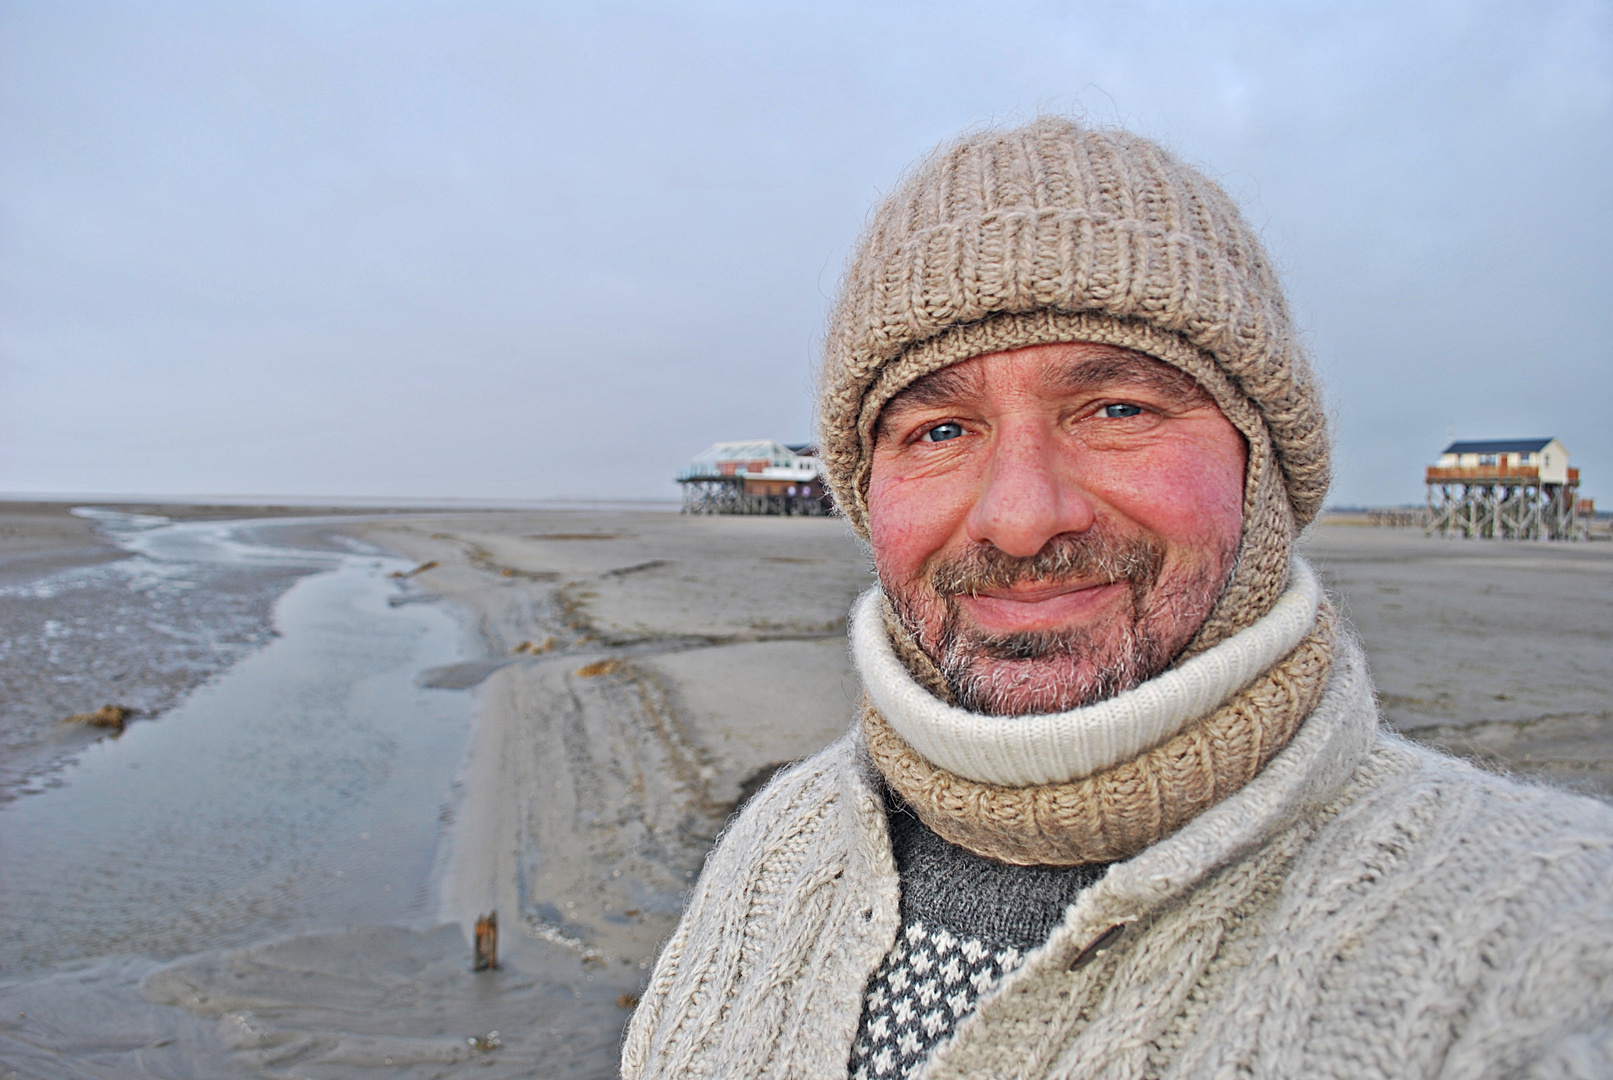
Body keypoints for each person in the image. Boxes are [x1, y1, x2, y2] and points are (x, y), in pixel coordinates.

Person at [620, 117, 1613, 1079]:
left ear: (1259, 462)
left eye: (1115, 408)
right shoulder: (769, 852)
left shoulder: (1554, 943)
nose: (1017, 518)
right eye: (936, 431)